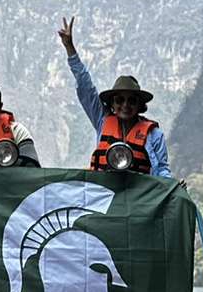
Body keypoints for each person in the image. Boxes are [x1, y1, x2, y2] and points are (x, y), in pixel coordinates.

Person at [58, 16, 172, 176]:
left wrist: (172, 186)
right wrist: (70, 48)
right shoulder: (102, 120)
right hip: (105, 195)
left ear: (140, 105)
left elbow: (162, 170)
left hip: (138, 196)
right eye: (119, 100)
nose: (125, 105)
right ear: (112, 103)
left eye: (132, 101)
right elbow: (86, 88)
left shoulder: (154, 135)